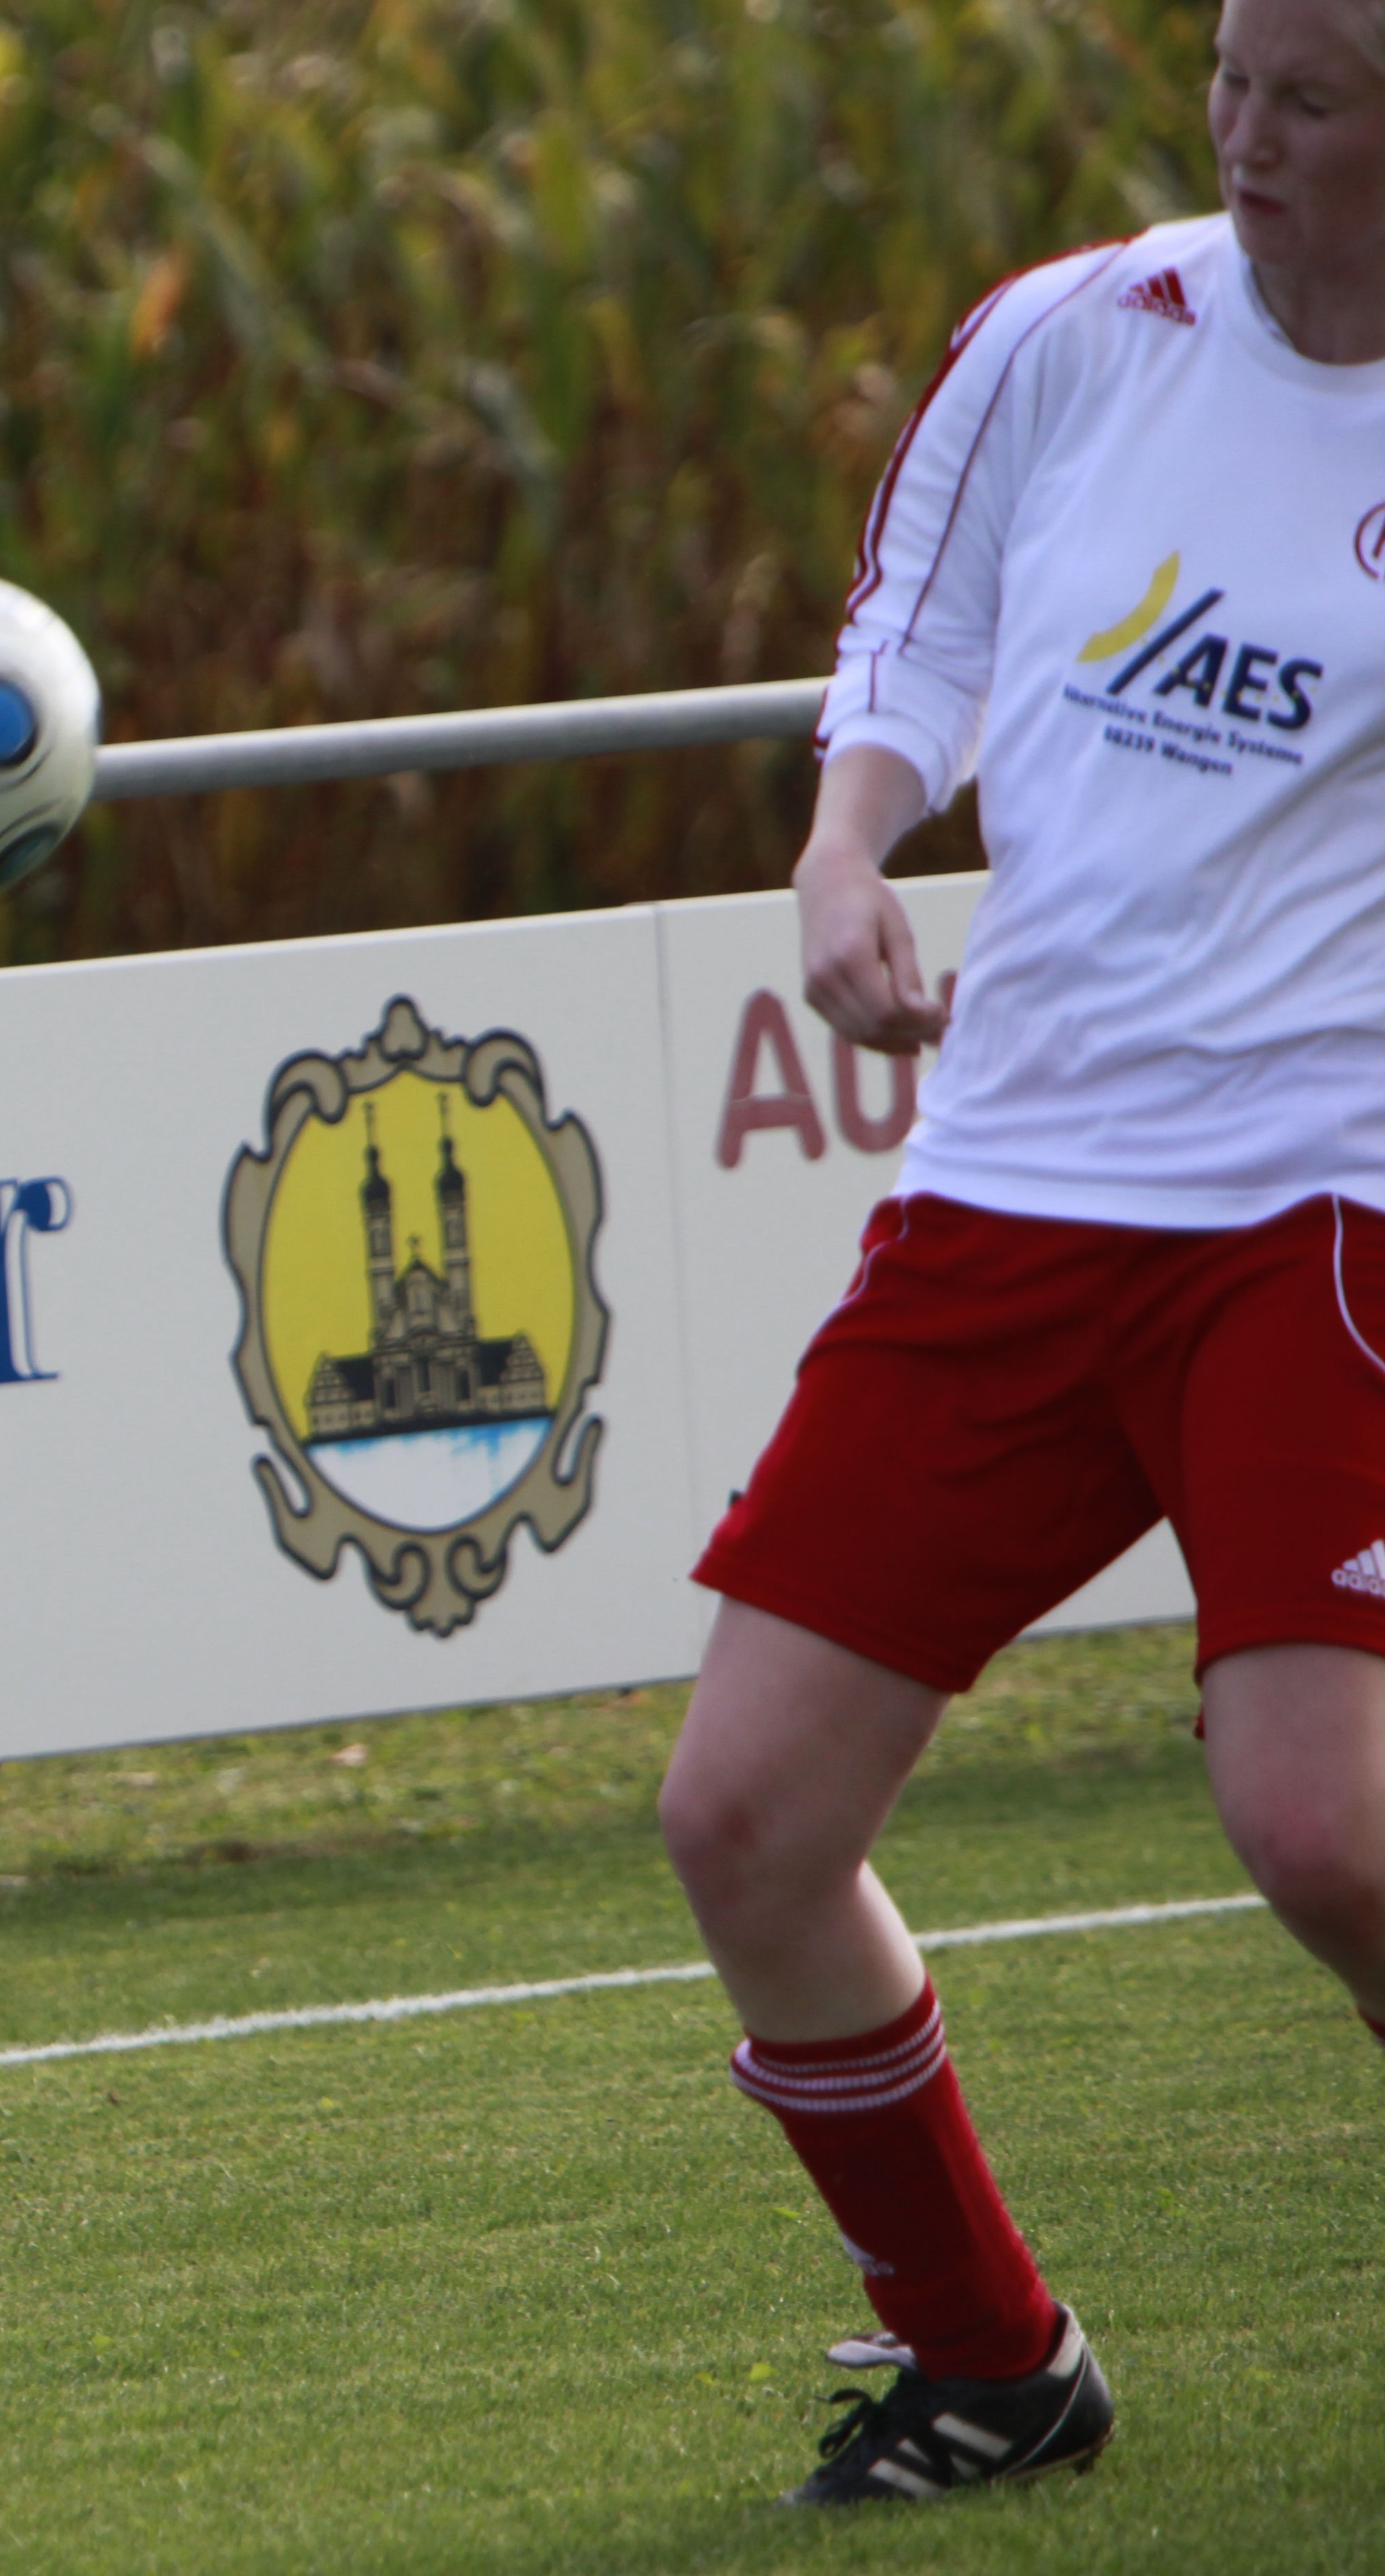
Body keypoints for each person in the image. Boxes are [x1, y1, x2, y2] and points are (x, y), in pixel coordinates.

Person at [663, 0, 1385, 2504]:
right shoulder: (1076, 332)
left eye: (1313, 98)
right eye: (1230, 76)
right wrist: (845, 848)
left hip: (1320, 1197)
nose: (1246, 135)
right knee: (745, 1816)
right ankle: (992, 2364)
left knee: (1327, 1830)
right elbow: (918, 631)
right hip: (1013, 1182)